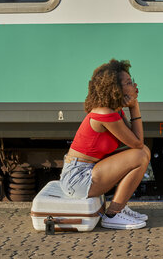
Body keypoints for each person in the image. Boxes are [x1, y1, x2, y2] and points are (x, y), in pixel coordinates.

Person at [59, 59, 151, 230]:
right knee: (140, 154)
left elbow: (135, 140)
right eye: (129, 83)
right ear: (116, 88)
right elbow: (138, 143)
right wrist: (135, 106)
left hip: (84, 172)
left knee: (143, 153)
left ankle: (119, 208)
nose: (135, 85)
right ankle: (113, 215)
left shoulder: (114, 110)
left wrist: (130, 106)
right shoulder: (105, 113)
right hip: (77, 178)